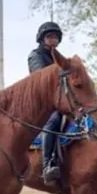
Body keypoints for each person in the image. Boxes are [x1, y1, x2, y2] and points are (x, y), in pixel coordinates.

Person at [28, 21, 64, 184]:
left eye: (55, 37)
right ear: (42, 39)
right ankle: (47, 164)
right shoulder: (35, 55)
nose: (53, 39)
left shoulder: (58, 57)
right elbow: (41, 77)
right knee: (54, 119)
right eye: (49, 36)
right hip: (42, 101)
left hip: (60, 100)